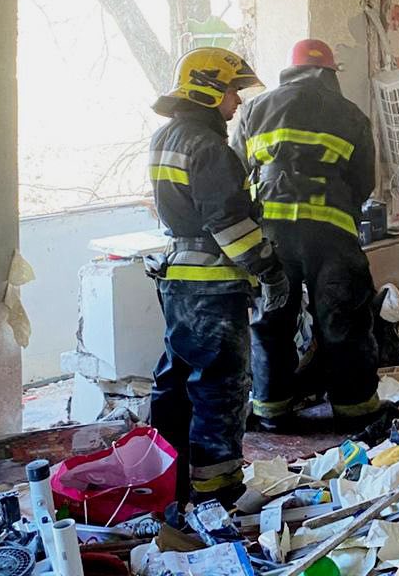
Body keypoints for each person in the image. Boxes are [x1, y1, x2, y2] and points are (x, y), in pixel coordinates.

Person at [146, 47, 289, 508]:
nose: (237, 101)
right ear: (207, 90)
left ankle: (172, 483)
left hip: (177, 282)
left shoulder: (167, 137)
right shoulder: (209, 148)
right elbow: (229, 224)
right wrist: (269, 270)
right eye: (231, 90)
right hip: (211, 285)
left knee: (177, 382)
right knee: (220, 389)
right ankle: (218, 491)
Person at [232, 38, 395, 433]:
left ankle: (271, 410)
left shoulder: (254, 109)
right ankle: (355, 409)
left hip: (271, 235)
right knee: (343, 319)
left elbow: (235, 173)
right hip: (331, 234)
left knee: (272, 321)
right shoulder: (350, 114)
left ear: (291, 69)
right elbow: (364, 182)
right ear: (329, 72)